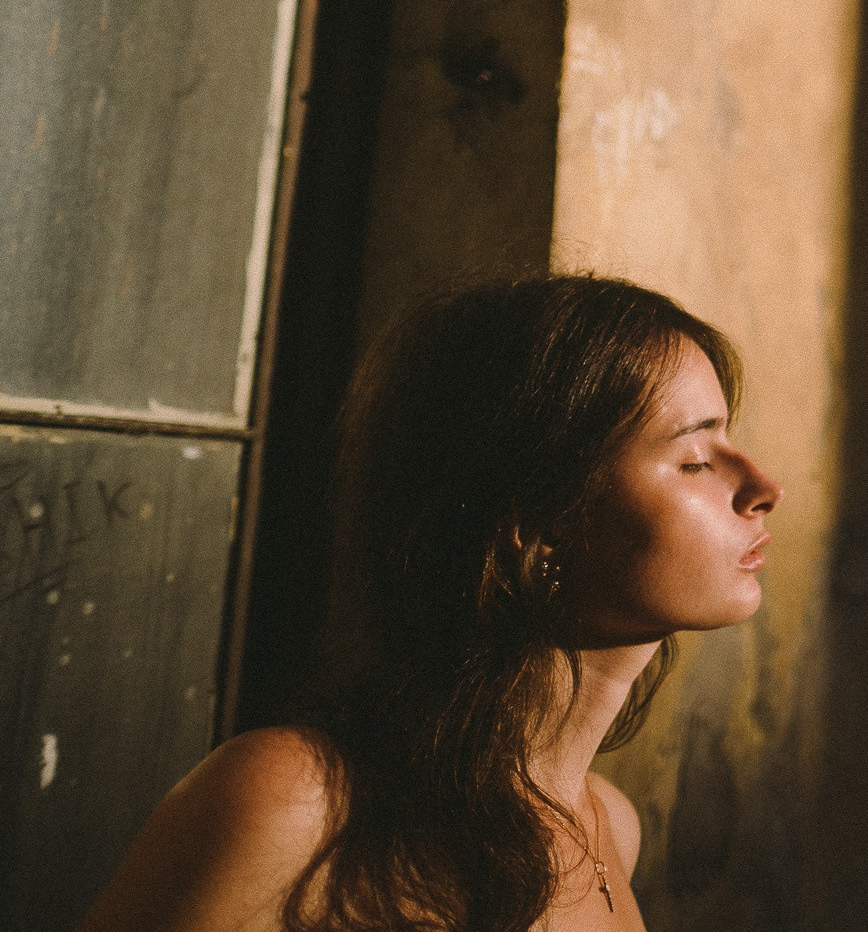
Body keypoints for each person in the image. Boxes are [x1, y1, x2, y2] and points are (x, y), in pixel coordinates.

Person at [80, 274, 782, 931]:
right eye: (693, 459)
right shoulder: (298, 803)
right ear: (535, 522)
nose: (761, 484)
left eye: (730, 437)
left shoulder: (611, 827)